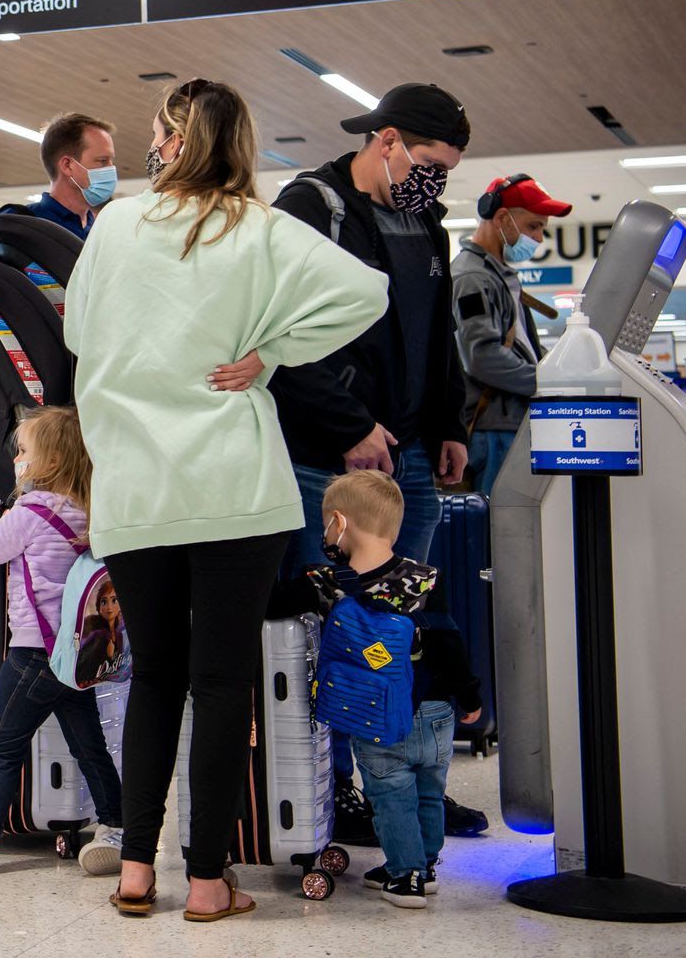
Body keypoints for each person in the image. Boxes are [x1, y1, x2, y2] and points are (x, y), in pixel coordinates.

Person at [62, 78, 387, 920]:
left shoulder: (116, 224)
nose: (151, 146)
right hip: (236, 489)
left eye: (158, 132)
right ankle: (208, 882)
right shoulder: (262, 228)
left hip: (137, 488)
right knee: (220, 684)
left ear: (175, 139)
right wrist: (271, 350)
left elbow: (77, 333)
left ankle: (137, 870)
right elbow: (366, 293)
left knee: (152, 678)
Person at [268, 82, 477, 843]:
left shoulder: (426, 222)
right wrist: (351, 424)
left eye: (446, 171)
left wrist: (449, 422)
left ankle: (403, 786)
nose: (435, 182)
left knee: (399, 627)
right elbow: (279, 335)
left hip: (411, 455)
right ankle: (331, 793)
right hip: (330, 459)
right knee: (333, 630)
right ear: (386, 141)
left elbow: (438, 336)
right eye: (429, 164)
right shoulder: (309, 208)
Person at [0, 407, 125, 879]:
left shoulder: (33, 510)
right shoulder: (90, 511)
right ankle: (118, 827)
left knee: (3, 748)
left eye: (23, 450)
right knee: (90, 746)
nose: (17, 458)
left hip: (33, 654)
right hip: (77, 654)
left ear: (50, 461)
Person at [282, 471, 482, 908]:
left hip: (378, 716)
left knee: (390, 797)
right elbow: (449, 643)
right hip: (435, 713)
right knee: (428, 792)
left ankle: (405, 876)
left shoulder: (324, 581)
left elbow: (272, 606)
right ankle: (425, 866)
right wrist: (469, 696)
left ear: (339, 522)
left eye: (326, 526)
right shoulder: (426, 578)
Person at [454, 175, 571, 496]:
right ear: (502, 218)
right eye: (533, 226)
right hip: (491, 429)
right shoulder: (472, 279)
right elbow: (482, 357)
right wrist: (547, 381)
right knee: (503, 519)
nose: (539, 238)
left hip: (507, 423)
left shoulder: (497, 275)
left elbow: (520, 345)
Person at [3, 112, 116, 238]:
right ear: (67, 165)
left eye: (111, 161)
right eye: (102, 161)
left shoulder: (100, 234)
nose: (111, 169)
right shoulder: (19, 223)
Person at [75, 582, 128, 687]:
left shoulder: (119, 635)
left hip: (106, 681)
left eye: (114, 600)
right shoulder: (97, 634)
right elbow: (83, 660)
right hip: (85, 681)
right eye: (104, 602)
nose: (109, 607)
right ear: (98, 607)